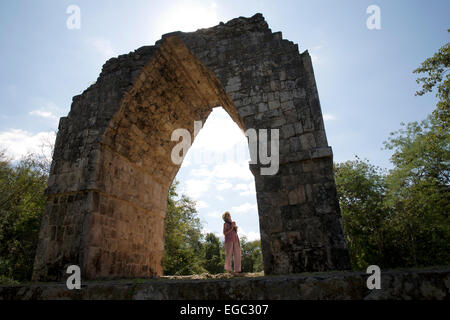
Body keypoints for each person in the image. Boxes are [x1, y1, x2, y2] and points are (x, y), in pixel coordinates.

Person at [222, 211, 242, 275]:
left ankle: (237, 270)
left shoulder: (233, 223)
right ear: (225, 218)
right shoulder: (225, 224)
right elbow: (225, 233)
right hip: (228, 241)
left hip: (236, 240)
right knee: (228, 255)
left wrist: (235, 228)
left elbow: (235, 232)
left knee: (237, 254)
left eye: (229, 215)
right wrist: (231, 228)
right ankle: (229, 270)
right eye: (227, 216)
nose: (228, 217)